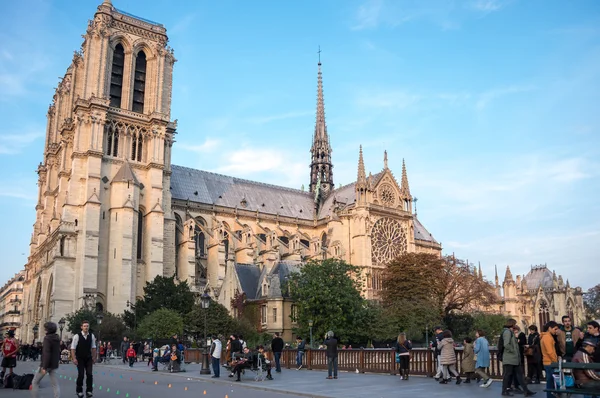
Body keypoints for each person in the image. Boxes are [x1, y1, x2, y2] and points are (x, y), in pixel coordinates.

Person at [500, 318, 536, 397]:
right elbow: (506, 344)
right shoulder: (507, 332)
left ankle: (526, 390)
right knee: (508, 374)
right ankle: (504, 390)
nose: (515, 325)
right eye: (515, 324)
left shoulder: (510, 332)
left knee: (520, 375)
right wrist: (513, 350)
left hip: (514, 358)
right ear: (512, 324)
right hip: (510, 358)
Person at [32, 322, 61, 398]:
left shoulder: (47, 338)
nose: (44, 329)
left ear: (48, 329)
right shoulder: (57, 338)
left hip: (46, 364)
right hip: (54, 364)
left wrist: (44, 367)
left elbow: (47, 352)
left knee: (35, 382)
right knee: (55, 384)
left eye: (45, 328)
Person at [70, 320, 97, 398]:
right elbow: (73, 348)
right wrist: (74, 358)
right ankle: (79, 391)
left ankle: (89, 391)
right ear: (81, 327)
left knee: (89, 374)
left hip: (88, 358)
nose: (86, 327)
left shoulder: (91, 336)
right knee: (81, 374)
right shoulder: (77, 336)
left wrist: (94, 357)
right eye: (84, 326)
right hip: (80, 358)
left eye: (87, 326)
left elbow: (93, 347)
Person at [541, 321, 560, 398]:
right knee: (551, 382)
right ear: (549, 328)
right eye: (555, 329)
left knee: (551, 382)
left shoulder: (546, 336)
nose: (556, 331)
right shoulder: (547, 337)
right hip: (549, 362)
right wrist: (555, 361)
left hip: (548, 361)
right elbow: (550, 351)